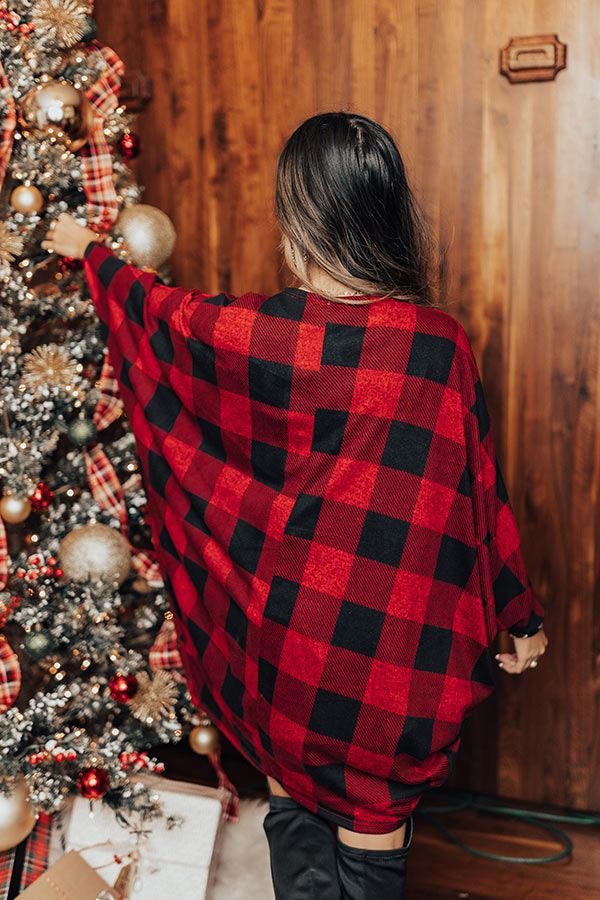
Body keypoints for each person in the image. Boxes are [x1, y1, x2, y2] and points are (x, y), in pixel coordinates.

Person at [43, 112, 547, 900]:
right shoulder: (435, 347)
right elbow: (478, 495)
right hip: (388, 665)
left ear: (299, 221)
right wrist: (515, 613)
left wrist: (93, 256)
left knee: (293, 813)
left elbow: (158, 313)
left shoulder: (261, 333)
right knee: (368, 847)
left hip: (285, 651)